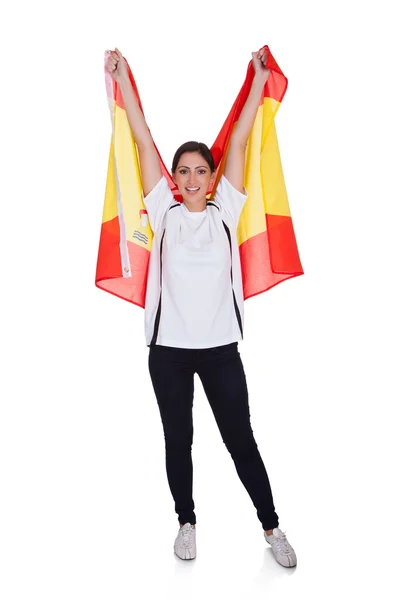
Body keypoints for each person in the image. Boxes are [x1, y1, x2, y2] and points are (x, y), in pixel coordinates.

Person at [106, 47, 297, 568]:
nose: (191, 179)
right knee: (179, 440)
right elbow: (143, 141)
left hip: (218, 352)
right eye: (182, 171)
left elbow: (238, 138)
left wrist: (257, 81)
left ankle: (272, 525)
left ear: (213, 178)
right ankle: (186, 522)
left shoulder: (226, 211)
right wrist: (124, 82)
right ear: (174, 178)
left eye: (199, 171)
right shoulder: (164, 211)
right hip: (168, 352)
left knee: (241, 439)